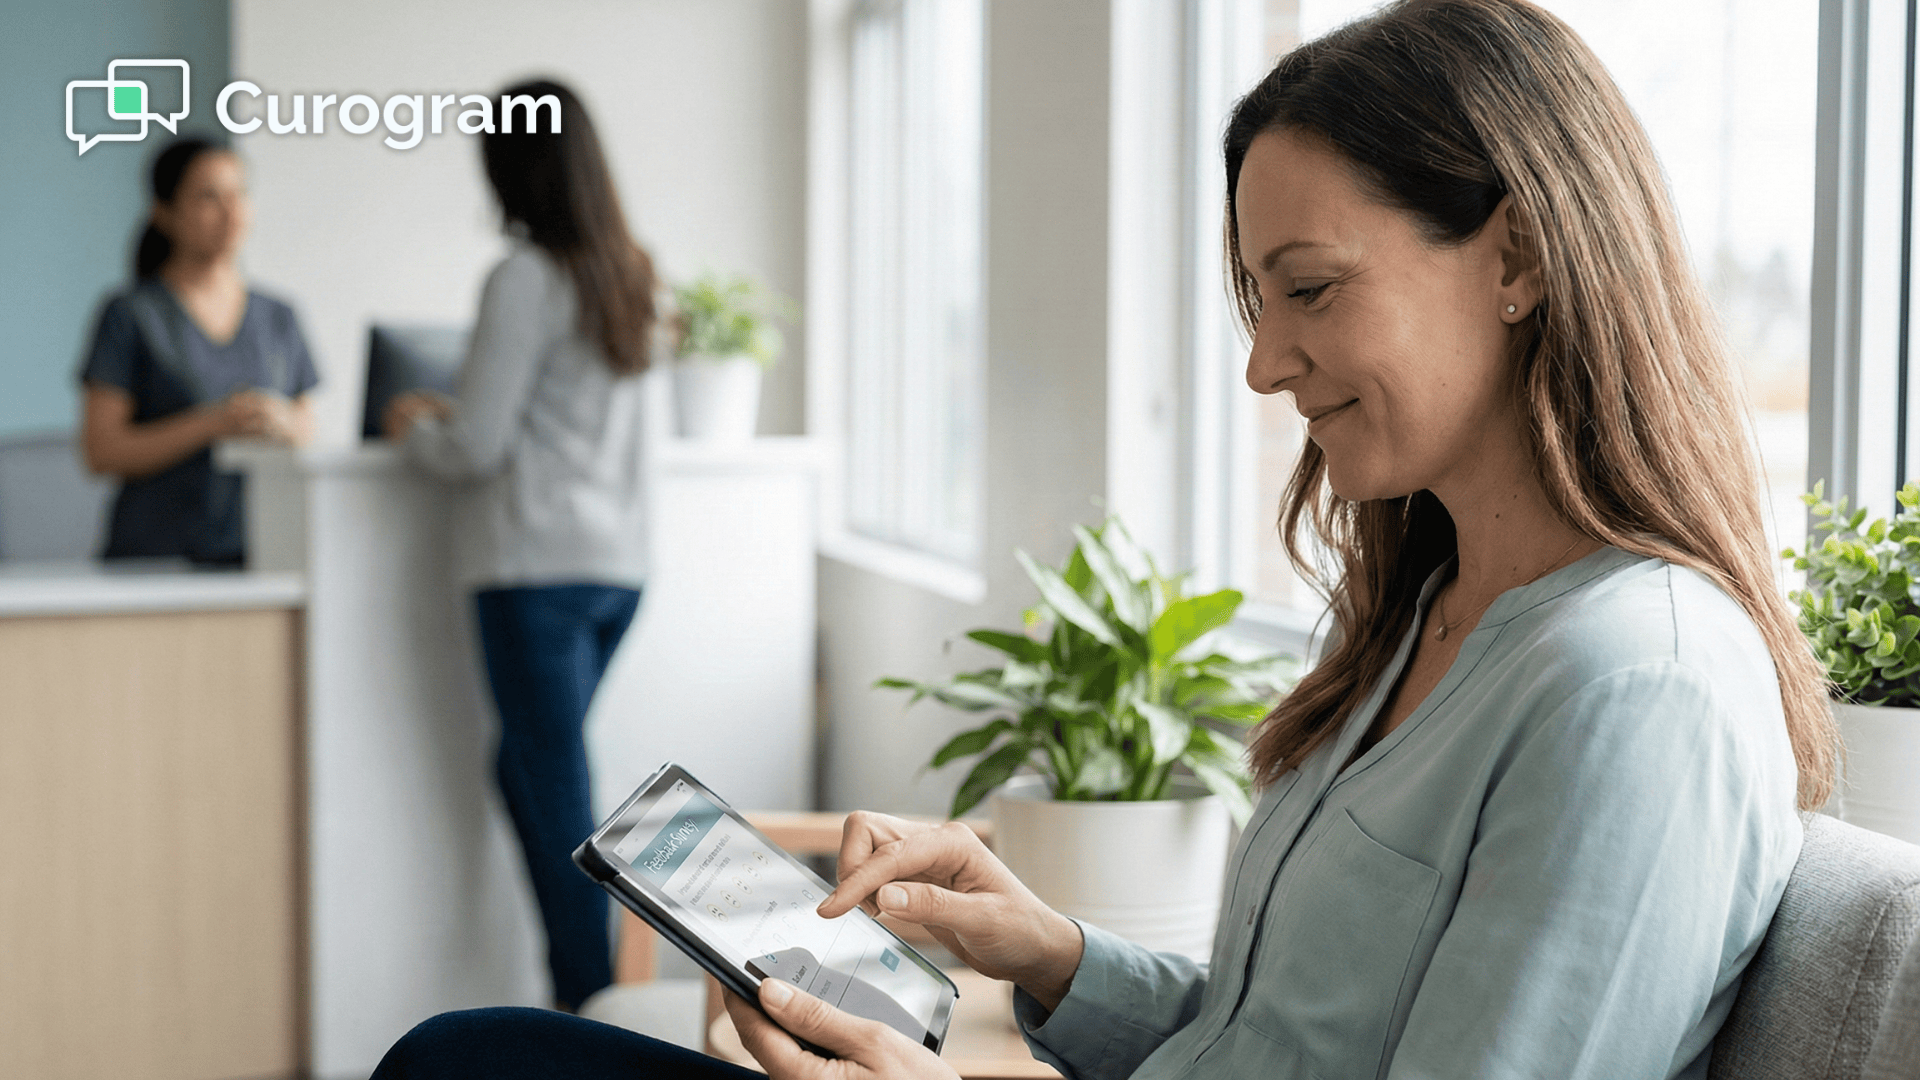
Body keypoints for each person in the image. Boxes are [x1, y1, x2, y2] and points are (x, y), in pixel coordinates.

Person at [367, 1, 1836, 1076]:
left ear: (1517, 254)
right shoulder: (1432, 609)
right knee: (474, 1056)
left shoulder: (1636, 693)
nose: (1264, 366)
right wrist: (1049, 952)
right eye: (1256, 301)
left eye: (1309, 290)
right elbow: (1268, 1040)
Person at [382, 78, 660, 1015]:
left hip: (532, 573)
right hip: (617, 569)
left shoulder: (524, 276)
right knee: (536, 774)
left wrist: (410, 428)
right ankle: (599, 990)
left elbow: (476, 447)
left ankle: (593, 1016)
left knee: (558, 803)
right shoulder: (629, 270)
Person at [79, 137, 318, 565]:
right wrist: (211, 424)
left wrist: (283, 425)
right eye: (208, 197)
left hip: (262, 553)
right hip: (155, 557)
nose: (230, 213)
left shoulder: (279, 316)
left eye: (239, 194)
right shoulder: (130, 314)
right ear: (164, 213)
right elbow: (102, 450)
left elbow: (308, 430)